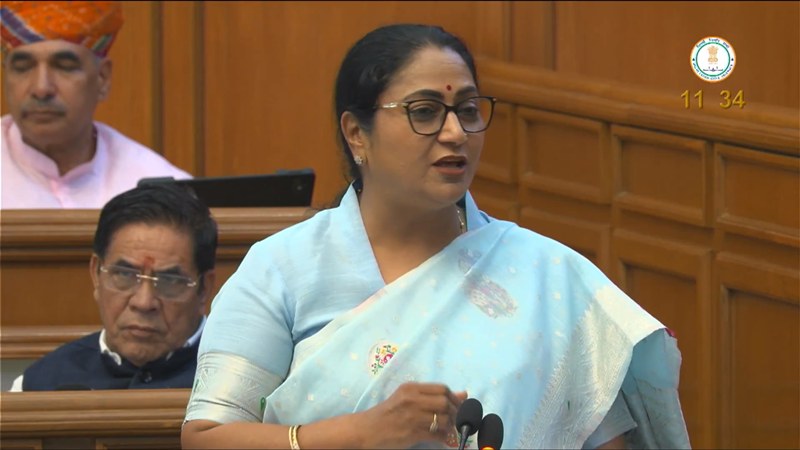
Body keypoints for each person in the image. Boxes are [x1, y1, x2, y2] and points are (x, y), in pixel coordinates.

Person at [182, 24, 691, 449]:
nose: (455, 133)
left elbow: (596, 434)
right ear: (356, 133)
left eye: (467, 110)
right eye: (424, 111)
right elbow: (207, 438)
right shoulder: (281, 268)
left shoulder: (546, 275)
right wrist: (361, 433)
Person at [10, 183, 217, 390]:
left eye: (169, 280)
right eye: (125, 275)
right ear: (96, 274)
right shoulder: (40, 383)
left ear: (204, 289)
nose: (143, 303)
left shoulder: (233, 378)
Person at [0, 1, 191, 209]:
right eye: (22, 67)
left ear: (102, 78)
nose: (41, 88)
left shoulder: (163, 192)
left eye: (64, 67)